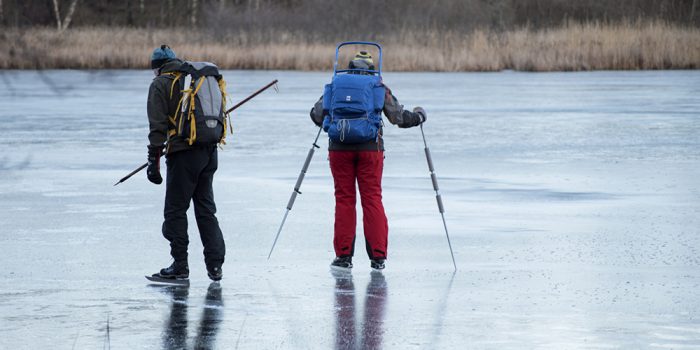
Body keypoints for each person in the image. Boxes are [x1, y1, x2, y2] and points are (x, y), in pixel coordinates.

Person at [310, 51, 427, 271]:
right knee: (372, 198)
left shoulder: (336, 83)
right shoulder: (377, 86)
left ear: (350, 67)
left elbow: (316, 115)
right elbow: (398, 117)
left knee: (344, 199)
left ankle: (344, 257)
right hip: (370, 150)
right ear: (373, 68)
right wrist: (418, 116)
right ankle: (378, 257)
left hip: (339, 149)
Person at [146, 45, 225, 281]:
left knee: (175, 210)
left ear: (157, 68)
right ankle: (215, 265)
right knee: (205, 209)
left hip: (183, 154)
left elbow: (157, 127)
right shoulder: (194, 79)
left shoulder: (161, 84)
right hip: (209, 152)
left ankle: (180, 265)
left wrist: (153, 159)